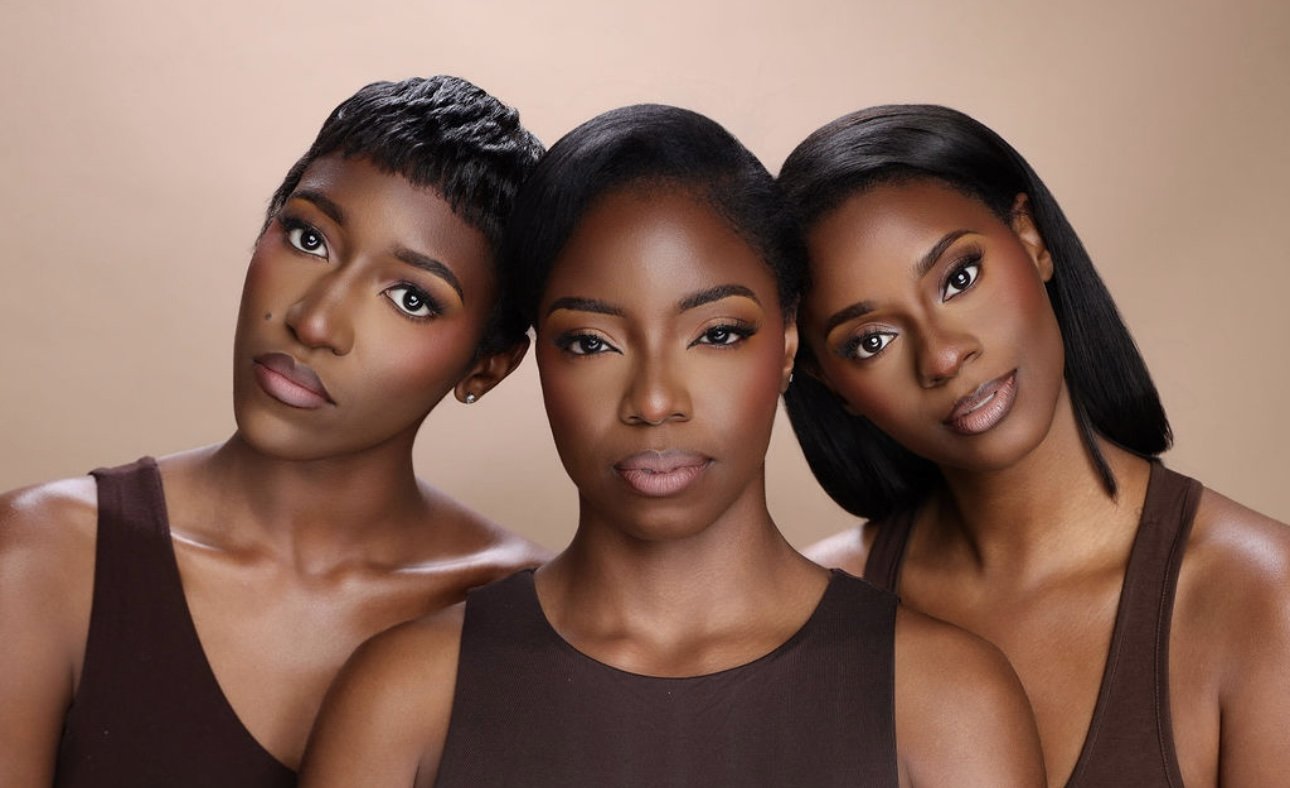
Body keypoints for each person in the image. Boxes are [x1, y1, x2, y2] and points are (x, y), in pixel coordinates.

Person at [299, 104, 1045, 787]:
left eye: (717, 334)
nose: (655, 402)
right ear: (538, 360)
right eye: (591, 342)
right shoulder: (403, 699)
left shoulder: (948, 699)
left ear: (787, 343)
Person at [0, 75, 551, 786]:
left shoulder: (534, 628)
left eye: (411, 298)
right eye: (308, 237)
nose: (315, 320)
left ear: (488, 367)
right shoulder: (43, 562)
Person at [781, 104, 1290, 787]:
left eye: (958, 278)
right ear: (827, 380)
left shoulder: (1263, 600)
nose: (943, 355)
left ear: (1031, 238)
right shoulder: (805, 618)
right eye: (871, 340)